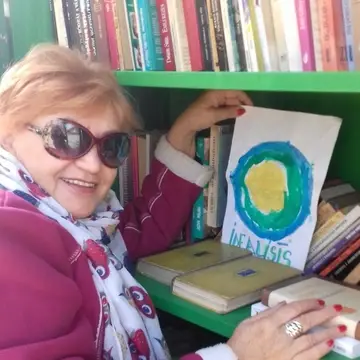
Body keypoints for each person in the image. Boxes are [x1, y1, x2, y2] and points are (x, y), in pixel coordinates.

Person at [0, 44, 346, 360]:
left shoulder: (69, 219)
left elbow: (131, 236)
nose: (93, 165)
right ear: (8, 128)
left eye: (112, 146)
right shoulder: (10, 236)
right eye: (67, 136)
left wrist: (183, 133)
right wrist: (236, 356)